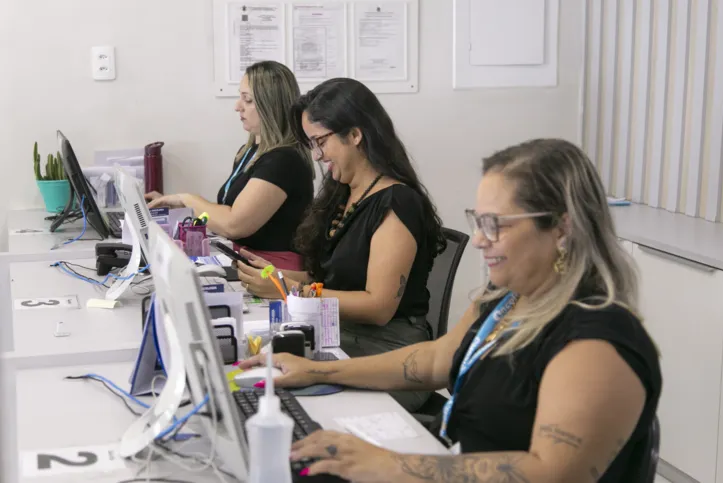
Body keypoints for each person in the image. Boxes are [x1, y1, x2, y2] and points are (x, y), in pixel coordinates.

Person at [239, 138, 662, 482]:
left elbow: (551, 474)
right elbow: (435, 360)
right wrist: (318, 370)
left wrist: (388, 465)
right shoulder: (507, 298)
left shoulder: (597, 342)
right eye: (477, 221)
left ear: (563, 229)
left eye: (495, 224)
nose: (479, 240)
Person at [236, 78, 446, 413]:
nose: (318, 156)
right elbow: (333, 280)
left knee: (269, 387)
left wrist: (290, 289)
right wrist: (280, 276)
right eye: (312, 145)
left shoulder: (397, 202)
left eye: (321, 142)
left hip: (389, 352)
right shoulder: (343, 193)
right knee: (249, 364)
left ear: (355, 135)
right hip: (342, 336)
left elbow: (378, 306)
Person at [145, 61, 314, 270]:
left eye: (248, 100)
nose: (238, 106)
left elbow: (233, 225)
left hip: (273, 269)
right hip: (245, 259)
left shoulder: (284, 161)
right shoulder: (249, 152)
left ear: (271, 106)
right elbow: (223, 215)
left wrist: (187, 199)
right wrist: (180, 205)